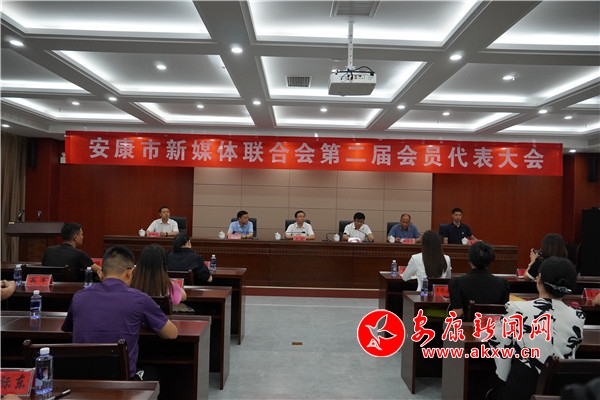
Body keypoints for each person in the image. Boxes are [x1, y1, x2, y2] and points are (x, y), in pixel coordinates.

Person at [62, 245, 178, 380]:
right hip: (122, 382)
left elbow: (69, 329)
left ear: (100, 274)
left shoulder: (79, 297)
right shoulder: (139, 299)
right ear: (130, 272)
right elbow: (171, 333)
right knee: (154, 373)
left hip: (81, 380)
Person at [486, 257, 585, 400]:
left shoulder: (517, 309)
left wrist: (503, 377)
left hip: (521, 392)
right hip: (558, 392)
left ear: (539, 279)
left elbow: (499, 344)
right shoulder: (577, 317)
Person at [448, 241, 509, 318]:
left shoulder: (457, 283)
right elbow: (504, 311)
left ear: (469, 260)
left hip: (468, 325)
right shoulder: (503, 284)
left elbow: (458, 313)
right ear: (490, 261)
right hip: (493, 325)